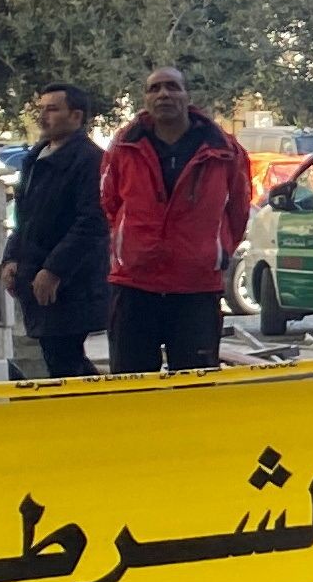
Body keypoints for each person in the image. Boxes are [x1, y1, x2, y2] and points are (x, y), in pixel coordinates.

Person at [96, 65, 247, 374]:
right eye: (154, 88)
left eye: (172, 87)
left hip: (196, 288)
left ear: (187, 95)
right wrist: (132, 245)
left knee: (195, 389)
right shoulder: (123, 147)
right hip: (135, 286)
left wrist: (213, 252)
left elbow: (239, 210)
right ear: (145, 98)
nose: (163, 93)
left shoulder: (225, 150)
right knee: (132, 386)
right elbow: (109, 202)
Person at [0, 82, 109, 378]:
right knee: (57, 360)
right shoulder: (35, 159)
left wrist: (54, 270)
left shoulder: (89, 160)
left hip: (71, 285)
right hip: (33, 277)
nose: (43, 117)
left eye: (52, 109)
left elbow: (91, 222)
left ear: (75, 116)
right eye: (41, 109)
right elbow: (24, 217)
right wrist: (12, 258)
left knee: (66, 362)